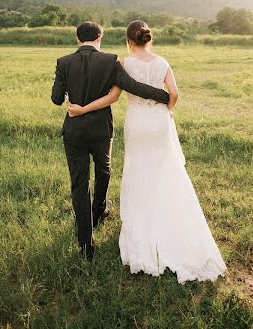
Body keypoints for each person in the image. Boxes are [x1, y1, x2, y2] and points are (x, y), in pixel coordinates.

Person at [68, 20, 227, 283]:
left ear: (129, 42)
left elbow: (113, 97)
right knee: (165, 170)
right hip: (159, 122)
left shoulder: (125, 65)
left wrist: (83, 109)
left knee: (138, 170)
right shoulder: (162, 62)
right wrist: (165, 111)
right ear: (148, 39)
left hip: (137, 123)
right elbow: (174, 94)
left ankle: (141, 229)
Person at [51, 21, 170, 260]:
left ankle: (86, 244)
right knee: (103, 170)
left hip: (74, 131)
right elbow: (133, 87)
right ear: (99, 38)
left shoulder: (64, 62)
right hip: (101, 130)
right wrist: (164, 96)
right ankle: (99, 210)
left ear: (78, 39)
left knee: (79, 183)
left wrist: (67, 99)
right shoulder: (110, 61)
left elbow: (55, 98)